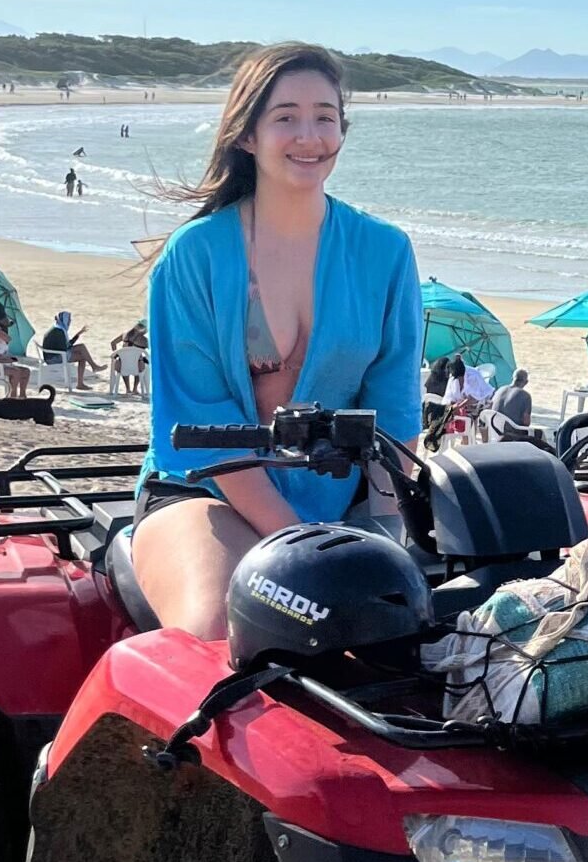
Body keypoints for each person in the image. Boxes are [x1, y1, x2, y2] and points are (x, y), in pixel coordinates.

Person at [131, 41, 424, 640]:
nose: (308, 136)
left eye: (325, 116)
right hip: (204, 492)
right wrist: (297, 540)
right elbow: (193, 422)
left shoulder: (385, 252)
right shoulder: (195, 256)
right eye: (285, 116)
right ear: (248, 136)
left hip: (339, 505)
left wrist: (392, 528)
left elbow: (394, 410)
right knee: (222, 627)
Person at [40, 310, 105, 388]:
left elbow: (66, 345)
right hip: (54, 358)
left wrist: (78, 334)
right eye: (69, 320)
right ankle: (84, 379)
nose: (70, 322)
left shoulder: (57, 327)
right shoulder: (59, 331)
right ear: (65, 320)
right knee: (82, 355)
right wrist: (75, 343)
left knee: (81, 349)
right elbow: (66, 347)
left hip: (52, 355)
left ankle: (93, 367)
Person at [0, 323, 30, 400]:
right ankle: (13, 394)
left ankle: (22, 395)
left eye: (0, 330)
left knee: (26, 371)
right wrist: (4, 360)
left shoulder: (1, 340)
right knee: (16, 372)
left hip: (7, 365)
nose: (0, 332)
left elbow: (9, 339)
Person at [110, 321, 149, 395]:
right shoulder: (145, 340)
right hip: (137, 367)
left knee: (125, 361)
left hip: (121, 366)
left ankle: (128, 389)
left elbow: (113, 343)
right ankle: (135, 389)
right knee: (140, 361)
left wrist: (116, 353)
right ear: (145, 329)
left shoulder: (125, 334)